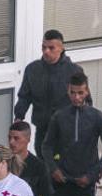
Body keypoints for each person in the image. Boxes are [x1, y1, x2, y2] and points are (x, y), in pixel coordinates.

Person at [14, 29, 87, 158]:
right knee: (44, 162)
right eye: (44, 47)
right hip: (43, 129)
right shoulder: (33, 69)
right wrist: (19, 117)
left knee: (62, 166)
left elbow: (85, 100)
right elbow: (25, 96)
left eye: (51, 48)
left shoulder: (73, 71)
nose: (46, 51)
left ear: (61, 48)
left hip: (65, 130)